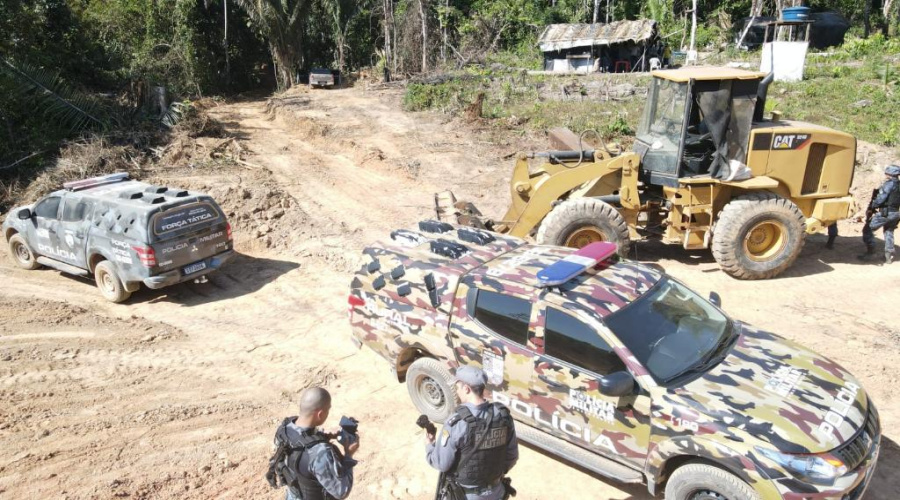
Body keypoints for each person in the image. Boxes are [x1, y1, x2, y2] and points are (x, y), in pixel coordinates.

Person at [425, 366, 518, 500]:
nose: (456, 391)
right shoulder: (503, 416)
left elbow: (441, 463)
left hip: (465, 495)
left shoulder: (456, 423)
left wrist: (430, 446)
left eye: (457, 387)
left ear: (466, 389)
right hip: (496, 492)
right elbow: (512, 456)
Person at [269, 387, 359, 500]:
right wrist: (348, 455)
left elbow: (299, 445)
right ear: (320, 414)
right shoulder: (320, 452)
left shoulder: (284, 429)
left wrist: (322, 435)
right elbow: (341, 491)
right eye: (328, 409)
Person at [858, 165, 900, 264]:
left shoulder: (889, 184)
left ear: (889, 173)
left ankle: (870, 253)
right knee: (889, 232)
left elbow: (881, 198)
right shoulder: (898, 185)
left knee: (867, 230)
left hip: (885, 213)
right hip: (895, 213)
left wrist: (872, 207)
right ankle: (888, 256)